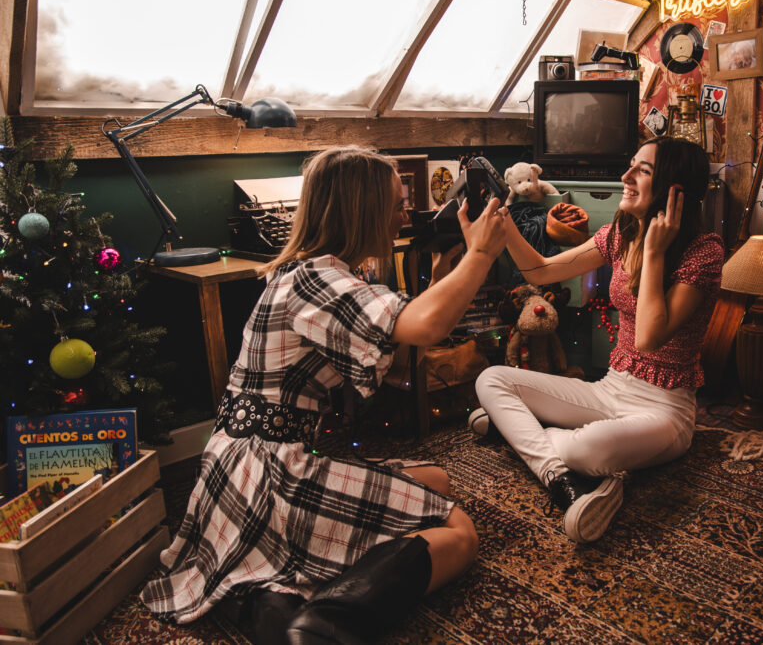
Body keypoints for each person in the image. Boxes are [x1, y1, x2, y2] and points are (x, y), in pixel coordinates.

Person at [141, 147, 508, 645]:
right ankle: (327, 625)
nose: (405, 213)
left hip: (235, 466)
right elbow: (428, 325)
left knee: (437, 479)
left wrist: (448, 268)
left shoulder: (310, 273)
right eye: (396, 203)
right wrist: (483, 254)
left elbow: (404, 350)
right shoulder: (321, 279)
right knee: (459, 532)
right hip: (269, 474)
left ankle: (267, 598)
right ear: (365, 210)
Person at [470, 137, 724, 543]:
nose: (625, 176)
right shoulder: (619, 236)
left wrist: (655, 253)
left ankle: (524, 433)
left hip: (664, 411)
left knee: (588, 449)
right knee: (492, 380)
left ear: (675, 189)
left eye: (642, 170)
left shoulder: (703, 253)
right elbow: (539, 271)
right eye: (631, 164)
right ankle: (560, 473)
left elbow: (648, 338)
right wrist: (504, 221)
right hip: (609, 390)